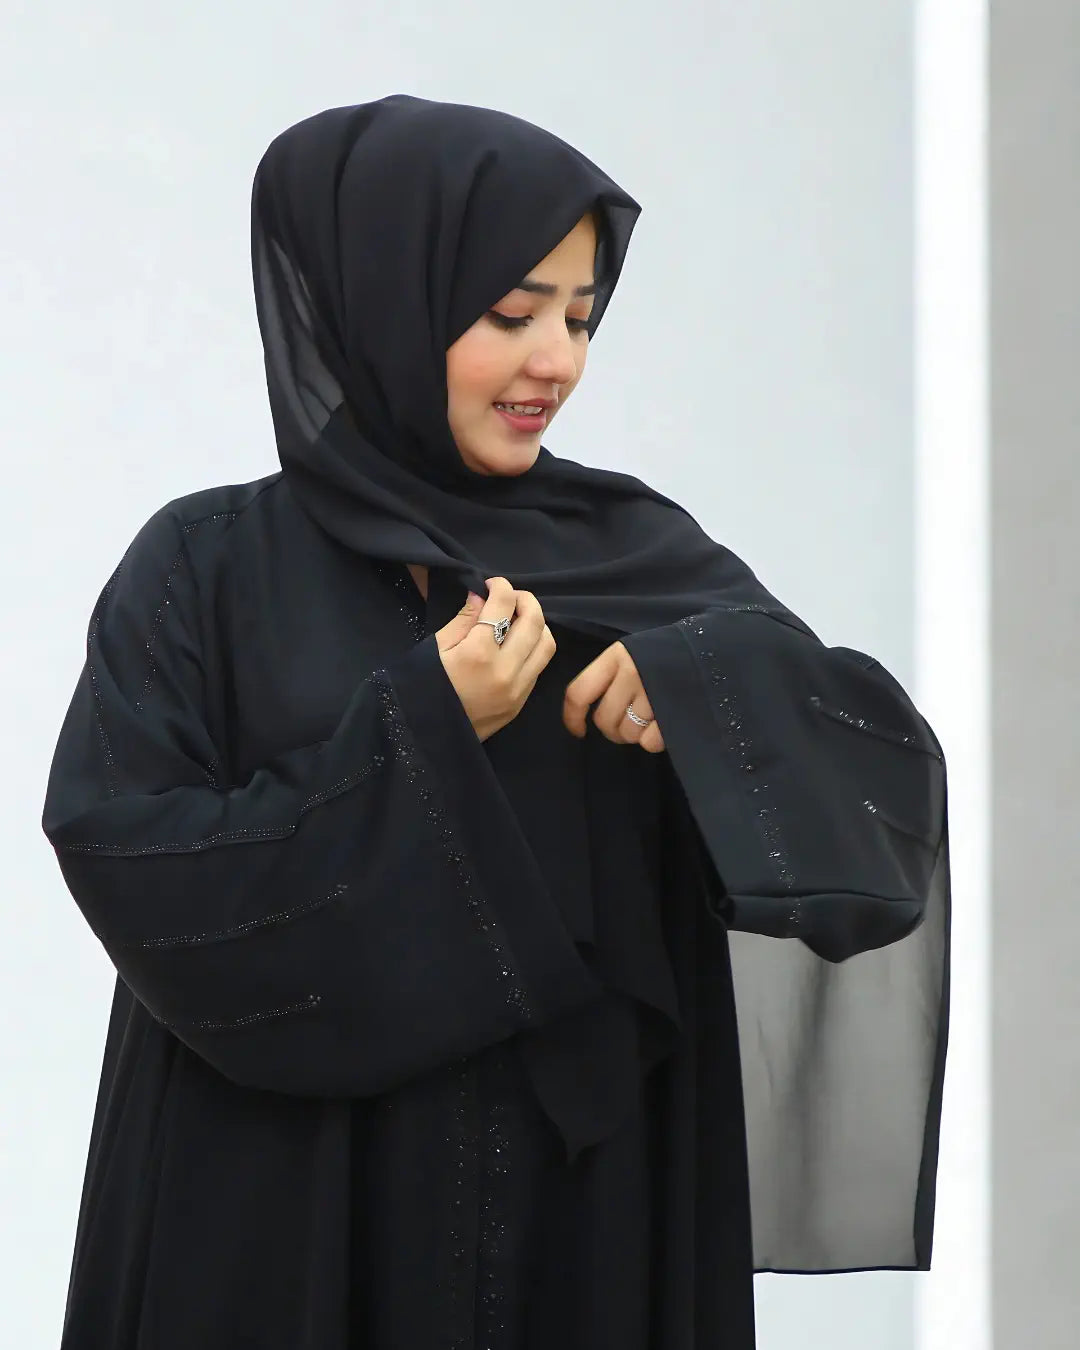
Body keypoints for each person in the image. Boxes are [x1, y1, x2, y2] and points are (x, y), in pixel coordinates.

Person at [41, 94, 950, 1350]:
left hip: (578, 1226)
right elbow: (125, 853)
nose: (557, 363)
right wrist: (416, 726)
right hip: (277, 1209)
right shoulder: (208, 568)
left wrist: (714, 693)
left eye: (580, 317)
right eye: (511, 314)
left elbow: (880, 820)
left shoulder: (640, 560)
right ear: (380, 299)